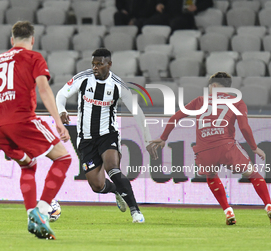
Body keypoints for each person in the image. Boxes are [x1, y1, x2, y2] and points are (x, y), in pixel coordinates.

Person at [0, 21, 72, 239]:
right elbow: (43, 89)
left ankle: (31, 217)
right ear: (32, 40)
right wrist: (58, 121)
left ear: (11, 41)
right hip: (21, 120)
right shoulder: (34, 57)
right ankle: (41, 212)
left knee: (28, 165)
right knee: (63, 158)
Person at [148, 72, 271, 225]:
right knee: (252, 174)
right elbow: (244, 127)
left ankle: (228, 211)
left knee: (211, 175)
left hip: (204, 150)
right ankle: (268, 205)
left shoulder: (200, 100)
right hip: (226, 146)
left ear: (212, 86)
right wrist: (254, 148)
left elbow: (175, 118)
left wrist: (163, 137)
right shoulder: (237, 102)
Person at [56, 48, 153, 223]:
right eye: (93, 64)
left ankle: (135, 211)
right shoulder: (83, 78)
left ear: (109, 64)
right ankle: (117, 190)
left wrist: (147, 139)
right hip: (85, 138)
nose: (95, 68)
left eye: (99, 64)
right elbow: (61, 94)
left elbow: (137, 112)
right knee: (97, 185)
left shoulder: (117, 85)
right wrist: (61, 110)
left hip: (108, 134)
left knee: (112, 168)